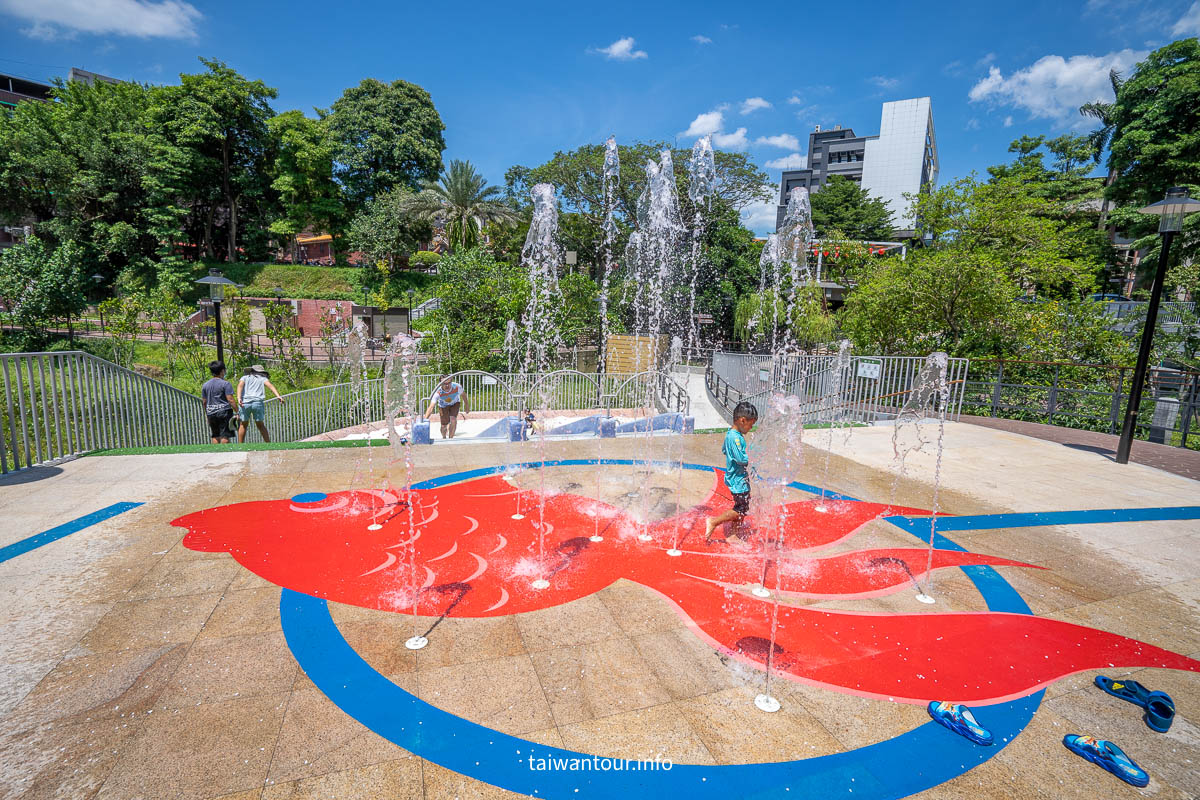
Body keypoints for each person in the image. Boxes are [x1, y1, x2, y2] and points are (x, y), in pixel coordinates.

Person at [705, 401, 758, 544]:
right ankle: (713, 522)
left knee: (743, 507)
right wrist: (754, 457)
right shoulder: (734, 438)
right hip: (737, 479)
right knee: (740, 508)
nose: (751, 428)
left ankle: (733, 534)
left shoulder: (733, 435)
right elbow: (741, 458)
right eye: (750, 424)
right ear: (742, 420)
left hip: (740, 478)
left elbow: (724, 450)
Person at [237, 364, 286, 443]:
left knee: (243, 424)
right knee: (260, 425)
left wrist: (239, 398)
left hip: (245, 403)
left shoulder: (245, 377)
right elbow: (270, 386)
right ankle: (268, 443)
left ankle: (240, 445)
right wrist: (278, 396)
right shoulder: (263, 378)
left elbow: (240, 386)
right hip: (258, 403)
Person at [201, 360, 237, 444]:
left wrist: (207, 414)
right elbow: (230, 399)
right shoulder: (225, 384)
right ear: (222, 371)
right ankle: (225, 455)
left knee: (215, 435)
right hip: (224, 412)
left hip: (211, 412)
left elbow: (204, 401)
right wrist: (238, 411)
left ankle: (215, 453)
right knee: (225, 435)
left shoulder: (205, 385)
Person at [423, 374, 469, 439]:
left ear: (451, 382)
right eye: (444, 383)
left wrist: (467, 406)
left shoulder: (457, 387)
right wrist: (425, 419)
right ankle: (444, 437)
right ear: (440, 384)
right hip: (443, 406)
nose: (447, 385)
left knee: (453, 419)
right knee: (443, 426)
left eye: (449, 383)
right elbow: (431, 407)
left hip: (455, 403)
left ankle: (451, 439)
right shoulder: (438, 392)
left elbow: (463, 395)